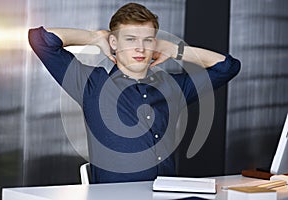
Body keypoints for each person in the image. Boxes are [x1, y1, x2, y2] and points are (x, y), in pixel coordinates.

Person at [28, 3, 240, 184]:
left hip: (166, 194)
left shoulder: (173, 86)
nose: (140, 48)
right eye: (130, 39)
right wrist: (94, 37)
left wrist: (176, 50)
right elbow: (41, 40)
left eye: (147, 40)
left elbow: (228, 67)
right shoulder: (92, 84)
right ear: (114, 43)